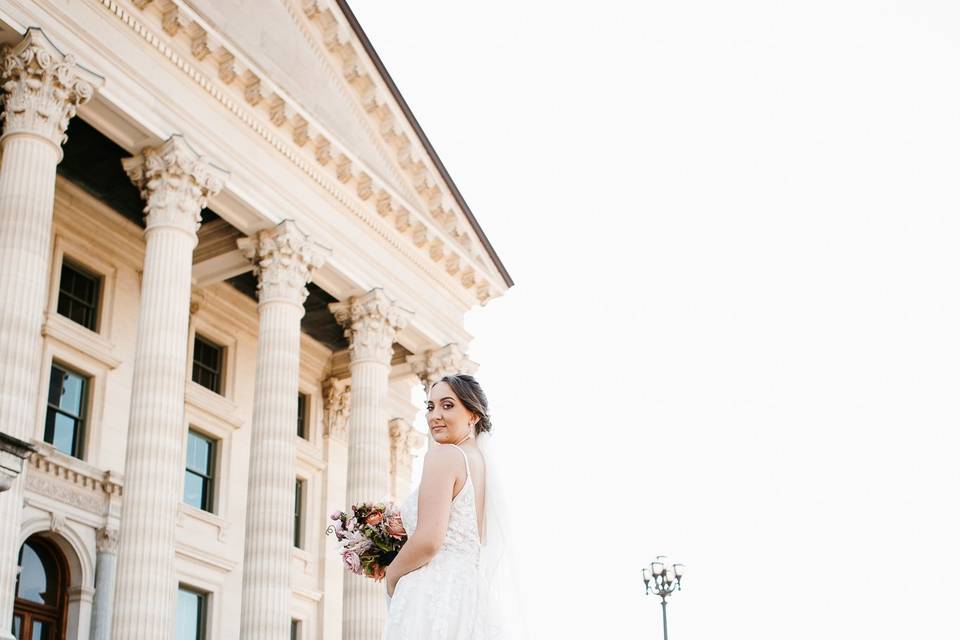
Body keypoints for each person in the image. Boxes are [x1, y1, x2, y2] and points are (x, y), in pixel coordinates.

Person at [383, 373, 518, 639]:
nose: (435, 415)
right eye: (430, 407)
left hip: (432, 591)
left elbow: (429, 541)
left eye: (448, 405)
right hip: (470, 596)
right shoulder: (480, 464)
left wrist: (391, 576)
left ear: (473, 415)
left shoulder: (444, 455)